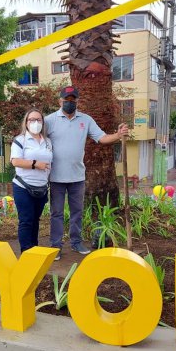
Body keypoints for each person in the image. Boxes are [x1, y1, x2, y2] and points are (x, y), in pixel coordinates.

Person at [45, 86, 129, 260]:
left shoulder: (86, 120)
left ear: (77, 101)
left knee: (77, 211)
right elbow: (36, 140)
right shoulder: (49, 121)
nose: (69, 103)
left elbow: (102, 138)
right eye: (66, 100)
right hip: (55, 177)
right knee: (57, 213)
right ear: (60, 101)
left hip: (77, 177)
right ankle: (56, 246)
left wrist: (119, 135)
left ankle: (76, 242)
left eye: (72, 100)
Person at [10, 108, 53, 253]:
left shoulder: (47, 142)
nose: (35, 122)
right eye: (32, 120)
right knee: (26, 221)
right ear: (26, 123)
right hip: (23, 187)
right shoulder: (20, 140)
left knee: (35, 221)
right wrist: (35, 164)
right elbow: (15, 161)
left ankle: (34, 250)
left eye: (38, 120)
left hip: (41, 187)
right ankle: (26, 252)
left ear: (43, 122)